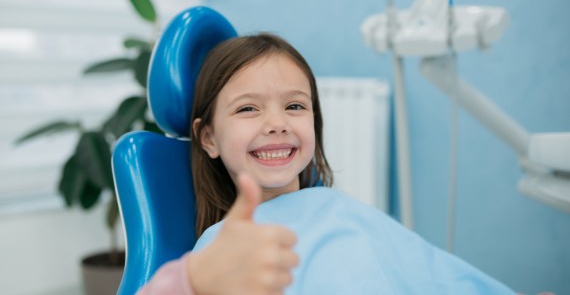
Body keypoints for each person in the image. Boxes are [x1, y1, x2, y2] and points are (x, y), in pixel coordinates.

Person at [138, 33, 515, 295]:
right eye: (249, 108)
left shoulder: (340, 208)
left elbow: (432, 273)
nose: (277, 122)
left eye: (295, 106)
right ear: (209, 138)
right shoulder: (224, 250)